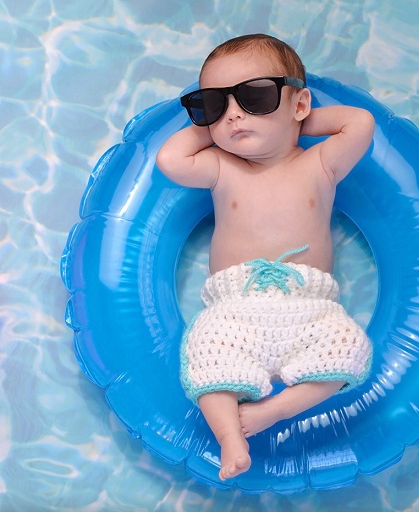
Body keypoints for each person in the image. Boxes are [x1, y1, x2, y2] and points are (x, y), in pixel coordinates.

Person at [156, 34, 375, 482]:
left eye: (255, 97)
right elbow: (170, 159)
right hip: (235, 307)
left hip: (308, 306)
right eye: (213, 104)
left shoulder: (321, 164)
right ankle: (230, 437)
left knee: (350, 349)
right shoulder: (222, 167)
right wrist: (218, 127)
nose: (234, 114)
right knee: (205, 353)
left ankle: (274, 411)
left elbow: (360, 122)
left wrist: (299, 121)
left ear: (300, 103)